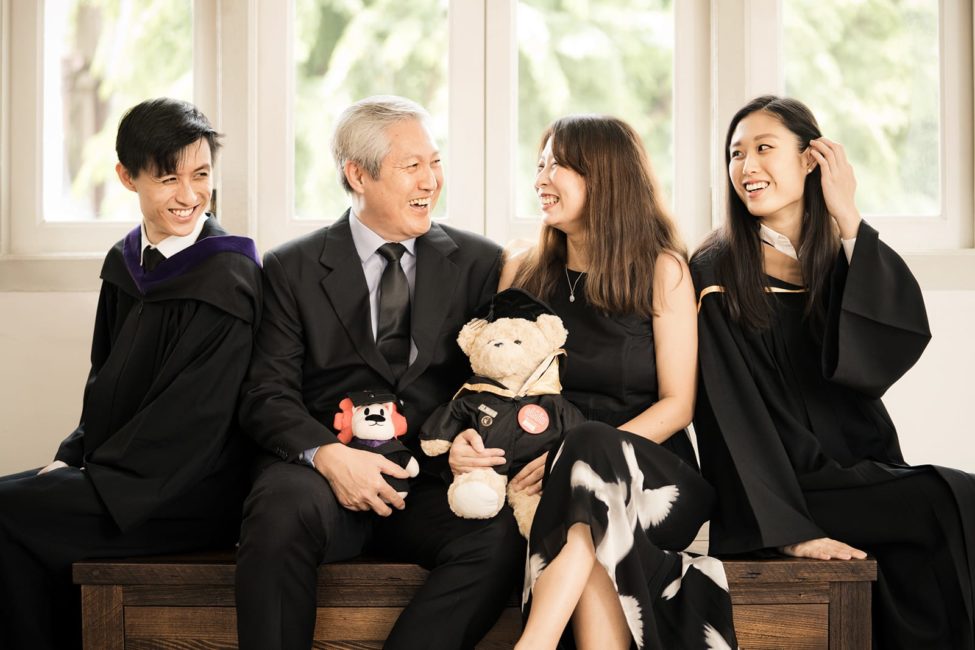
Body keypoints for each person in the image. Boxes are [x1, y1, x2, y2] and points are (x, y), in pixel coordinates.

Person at [234, 95, 523, 650]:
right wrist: (329, 456)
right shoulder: (290, 267)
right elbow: (266, 394)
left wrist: (464, 440)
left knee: (499, 537)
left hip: (431, 478)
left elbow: (492, 382)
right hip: (321, 476)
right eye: (411, 166)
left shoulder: (480, 263)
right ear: (356, 174)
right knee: (277, 510)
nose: (431, 181)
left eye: (435, 163)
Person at [691, 94, 975, 649]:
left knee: (921, 560)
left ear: (811, 160)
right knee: (953, 499)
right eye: (736, 153)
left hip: (854, 467)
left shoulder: (833, 254)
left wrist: (849, 217)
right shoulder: (717, 269)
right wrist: (789, 530)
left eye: (764, 148)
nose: (747, 167)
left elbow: (884, 351)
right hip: (786, 486)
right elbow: (728, 411)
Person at [0, 98, 262, 650]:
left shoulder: (228, 277)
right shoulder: (127, 264)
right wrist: (71, 455)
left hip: (185, 494)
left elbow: (193, 420)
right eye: (168, 179)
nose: (189, 196)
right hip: (119, 477)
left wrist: (92, 477)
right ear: (127, 177)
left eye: (201, 175)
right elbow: (105, 384)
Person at [482, 115, 738, 649]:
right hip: (555, 481)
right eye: (539, 165)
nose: (540, 179)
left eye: (557, 165)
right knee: (591, 518)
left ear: (604, 176)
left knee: (590, 444)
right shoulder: (521, 270)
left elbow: (678, 404)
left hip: (653, 471)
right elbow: (498, 388)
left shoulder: (662, 269)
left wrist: (571, 455)